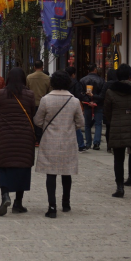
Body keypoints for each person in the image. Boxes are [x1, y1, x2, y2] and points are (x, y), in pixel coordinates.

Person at [34, 70, 85, 217]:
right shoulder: (74, 101)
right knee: (66, 172)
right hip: (68, 140)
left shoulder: (45, 100)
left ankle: (52, 206)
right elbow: (81, 122)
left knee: (51, 173)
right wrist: (68, 127)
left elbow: (37, 120)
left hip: (50, 140)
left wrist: (48, 126)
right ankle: (66, 203)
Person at [0, 67, 37, 216]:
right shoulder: (30, 95)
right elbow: (33, 113)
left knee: (4, 167)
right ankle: (18, 203)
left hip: (6, 136)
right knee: (23, 169)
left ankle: (5, 195)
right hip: (24, 137)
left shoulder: (1, 93)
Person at [104, 64, 131, 198]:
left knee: (118, 159)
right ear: (129, 76)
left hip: (117, 128)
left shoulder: (111, 91)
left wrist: (113, 121)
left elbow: (107, 112)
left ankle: (120, 187)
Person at [80, 64, 106, 151]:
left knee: (87, 124)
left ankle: (88, 143)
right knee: (98, 124)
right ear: (95, 70)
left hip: (87, 105)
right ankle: (96, 143)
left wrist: (88, 101)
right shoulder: (101, 80)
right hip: (98, 104)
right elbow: (102, 95)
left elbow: (81, 93)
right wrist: (95, 101)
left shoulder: (83, 80)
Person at [26, 60, 51, 144]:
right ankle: (39, 139)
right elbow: (49, 92)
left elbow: (26, 90)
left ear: (34, 67)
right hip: (43, 103)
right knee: (41, 122)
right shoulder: (47, 78)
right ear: (42, 67)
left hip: (31, 102)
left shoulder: (29, 77)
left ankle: (33, 138)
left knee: (32, 121)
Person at [64, 67, 87, 152]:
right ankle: (81, 144)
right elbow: (78, 95)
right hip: (73, 105)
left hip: (63, 105)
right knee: (76, 124)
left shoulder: (63, 83)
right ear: (73, 74)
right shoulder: (76, 83)